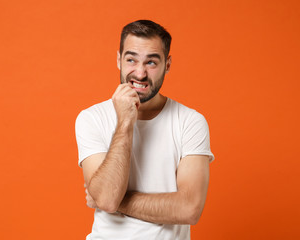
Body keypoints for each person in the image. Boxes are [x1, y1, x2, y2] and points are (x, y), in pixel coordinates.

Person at [75, 20, 214, 240]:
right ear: (119, 60)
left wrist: (117, 202)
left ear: (167, 65)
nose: (140, 74)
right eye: (131, 60)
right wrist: (125, 122)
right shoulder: (92, 118)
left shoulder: (191, 122)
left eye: (151, 62)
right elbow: (107, 199)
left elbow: (189, 209)